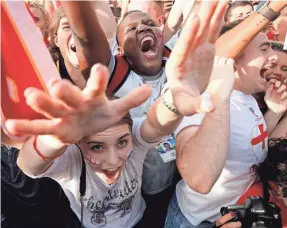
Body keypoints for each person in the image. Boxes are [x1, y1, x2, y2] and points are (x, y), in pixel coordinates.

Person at [5, 5, 226, 225]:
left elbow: (155, 125)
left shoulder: (137, 142)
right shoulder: (71, 160)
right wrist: (56, 138)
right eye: (96, 147)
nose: (113, 160)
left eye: (122, 142)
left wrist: (173, 99)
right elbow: (29, 165)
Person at [165, 14, 287, 228]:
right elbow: (199, 180)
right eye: (264, 49)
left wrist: (274, 112)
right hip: (196, 220)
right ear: (235, 56)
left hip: (232, 215)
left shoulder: (248, 97)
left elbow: (250, 145)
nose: (273, 57)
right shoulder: (203, 99)